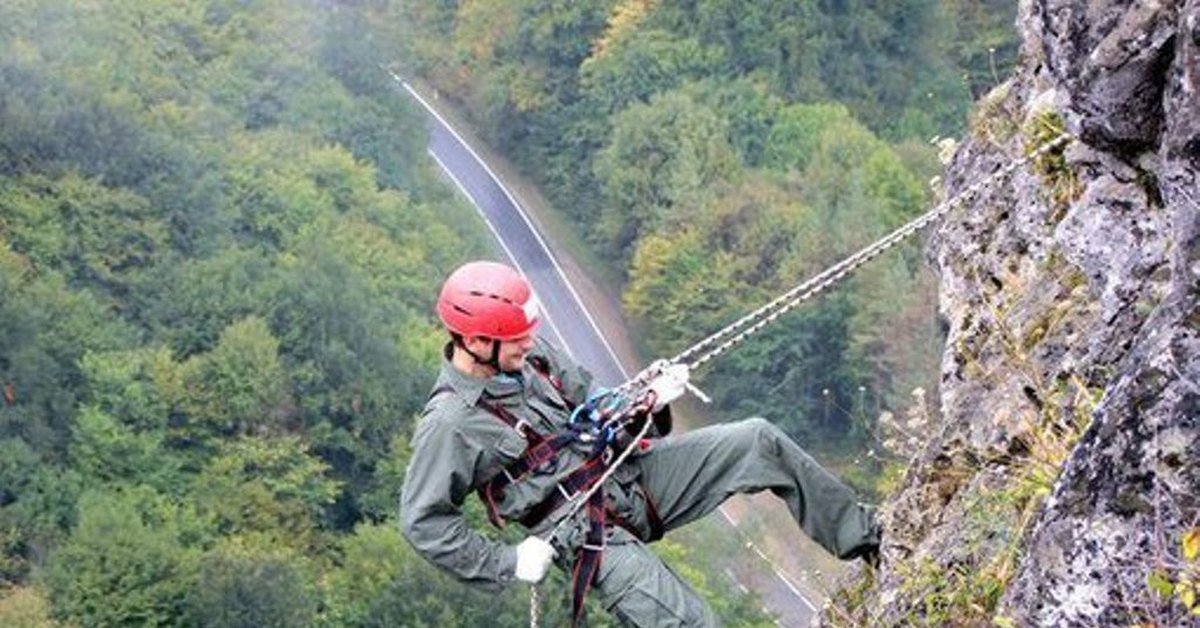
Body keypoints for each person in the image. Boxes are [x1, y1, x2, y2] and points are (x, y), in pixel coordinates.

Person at [400, 260, 879, 627]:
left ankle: (870, 540)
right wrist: (506, 563)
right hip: (584, 534)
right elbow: (423, 522)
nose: (530, 344)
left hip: (628, 476)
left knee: (757, 441)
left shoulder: (531, 358)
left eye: (529, 335)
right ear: (477, 342)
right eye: (517, 340)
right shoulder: (450, 423)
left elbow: (596, 403)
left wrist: (647, 401)